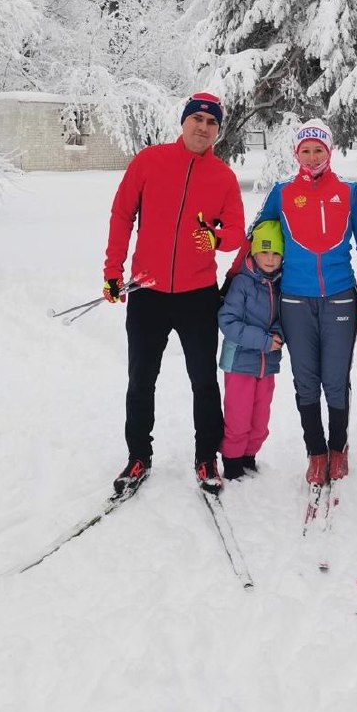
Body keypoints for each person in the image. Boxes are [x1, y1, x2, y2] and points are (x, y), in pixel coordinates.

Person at [102, 92, 245, 498]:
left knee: (203, 380)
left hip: (197, 295)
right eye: (196, 119)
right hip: (147, 291)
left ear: (218, 131)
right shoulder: (150, 161)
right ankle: (138, 456)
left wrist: (214, 238)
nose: (203, 127)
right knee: (141, 379)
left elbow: (236, 232)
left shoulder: (223, 177)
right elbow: (121, 214)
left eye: (211, 122)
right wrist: (113, 271)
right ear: (183, 122)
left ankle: (206, 456)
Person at [252, 119, 357, 485]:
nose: (311, 157)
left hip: (340, 296)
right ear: (297, 153)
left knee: (335, 379)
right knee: (305, 379)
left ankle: (338, 447)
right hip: (294, 298)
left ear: (330, 151)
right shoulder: (282, 192)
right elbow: (259, 237)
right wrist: (241, 278)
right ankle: (316, 451)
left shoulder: (351, 193)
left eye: (318, 150)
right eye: (305, 150)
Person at [217, 220, 285, 481]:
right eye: (264, 252)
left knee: (260, 419)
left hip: (267, 365)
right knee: (239, 418)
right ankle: (233, 462)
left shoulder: (281, 284)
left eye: (276, 253)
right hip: (240, 363)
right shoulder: (242, 283)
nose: (269, 259)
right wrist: (264, 341)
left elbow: (284, 317)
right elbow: (228, 322)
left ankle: (249, 456)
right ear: (254, 252)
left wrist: (280, 334)